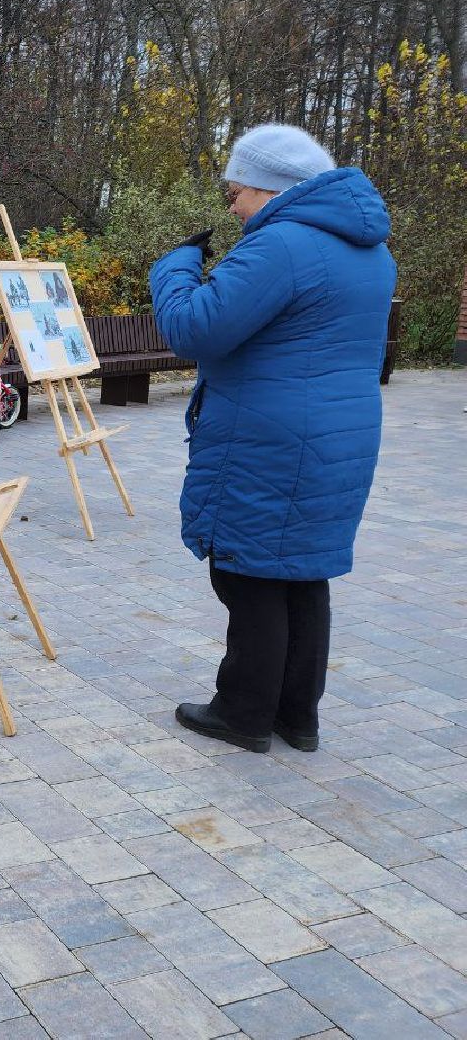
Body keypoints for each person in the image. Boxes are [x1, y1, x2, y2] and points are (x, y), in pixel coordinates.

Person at [149, 124, 396, 754]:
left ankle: (244, 712)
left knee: (249, 573)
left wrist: (176, 265)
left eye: (235, 192)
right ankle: (296, 716)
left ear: (269, 187)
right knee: (302, 575)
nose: (231, 207)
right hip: (338, 436)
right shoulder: (369, 250)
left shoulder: (283, 245)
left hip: (272, 441)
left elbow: (194, 328)